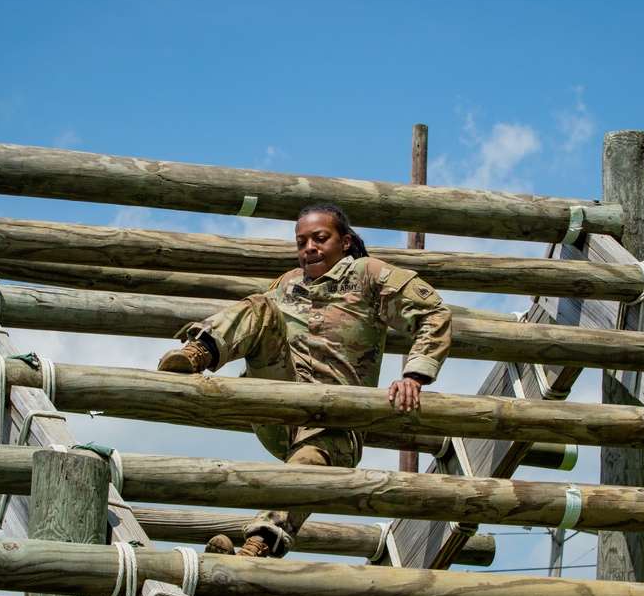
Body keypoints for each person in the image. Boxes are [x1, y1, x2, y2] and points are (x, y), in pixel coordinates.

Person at [158, 202, 452, 558]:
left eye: (319, 238)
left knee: (308, 465)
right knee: (259, 306)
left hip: (335, 426)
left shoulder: (368, 275)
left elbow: (433, 312)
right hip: (279, 404)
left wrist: (414, 374)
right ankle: (198, 352)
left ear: (344, 242)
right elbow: (253, 323)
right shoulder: (287, 284)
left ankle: (256, 548)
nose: (309, 248)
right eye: (301, 242)